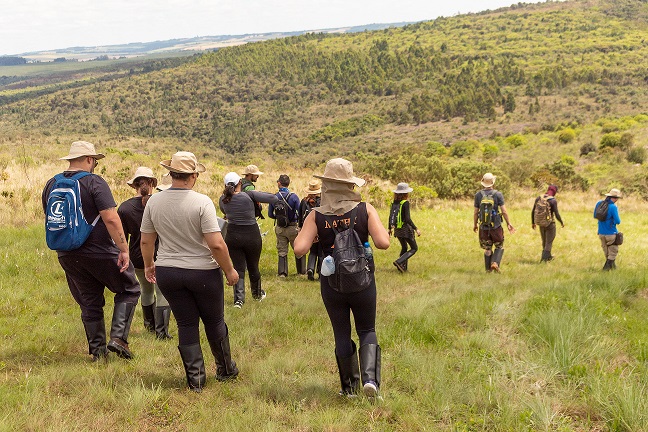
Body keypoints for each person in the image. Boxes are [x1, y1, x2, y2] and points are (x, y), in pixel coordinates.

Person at [140, 151, 240, 392]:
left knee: (186, 323)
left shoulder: (154, 201)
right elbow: (216, 243)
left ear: (171, 174)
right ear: (193, 176)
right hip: (203, 272)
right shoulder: (202, 202)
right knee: (214, 320)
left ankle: (195, 379)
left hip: (168, 271)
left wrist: (149, 265)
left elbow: (146, 241)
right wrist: (230, 271)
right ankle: (225, 369)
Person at [295, 158, 390, 398]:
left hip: (332, 283)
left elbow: (299, 249)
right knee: (367, 328)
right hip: (363, 281)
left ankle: (349, 388)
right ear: (350, 185)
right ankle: (371, 381)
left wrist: (316, 234)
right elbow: (383, 243)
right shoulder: (364, 209)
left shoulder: (315, 215)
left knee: (341, 331)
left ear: (326, 184)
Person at [42, 141, 140, 361]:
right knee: (130, 288)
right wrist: (124, 249)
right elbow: (111, 218)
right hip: (100, 251)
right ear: (89, 159)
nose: (94, 164)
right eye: (94, 160)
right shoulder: (95, 182)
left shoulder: (52, 183)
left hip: (67, 253)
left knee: (89, 300)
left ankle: (98, 354)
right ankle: (118, 339)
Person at [118, 167, 173, 340]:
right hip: (159, 255)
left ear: (134, 185)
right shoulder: (160, 203)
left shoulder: (124, 208)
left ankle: (149, 326)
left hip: (137, 257)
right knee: (162, 292)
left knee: (146, 290)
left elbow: (122, 238)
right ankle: (161, 332)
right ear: (152, 183)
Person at [219, 172, 279, 308]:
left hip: (233, 235)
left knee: (238, 268)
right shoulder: (249, 195)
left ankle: (238, 300)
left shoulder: (222, 199)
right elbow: (272, 198)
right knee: (253, 266)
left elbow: (225, 212)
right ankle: (257, 294)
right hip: (251, 235)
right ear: (240, 182)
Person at [473, 172, 515, 273]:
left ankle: (488, 270)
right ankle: (495, 263)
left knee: (487, 248)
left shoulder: (478, 195)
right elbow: (504, 211)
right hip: (496, 226)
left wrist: (475, 224)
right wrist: (509, 223)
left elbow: (475, 212)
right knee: (499, 246)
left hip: (483, 226)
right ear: (493, 183)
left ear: (483, 182)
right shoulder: (498, 194)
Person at [268, 174, 305, 277]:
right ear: (288, 184)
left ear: (279, 183)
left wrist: (280, 218)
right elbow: (299, 213)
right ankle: (301, 272)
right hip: (293, 227)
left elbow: (270, 214)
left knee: (282, 250)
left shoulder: (274, 197)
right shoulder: (294, 197)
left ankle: (282, 273)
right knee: (298, 249)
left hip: (280, 228)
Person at [388, 182, 421, 273]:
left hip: (397, 230)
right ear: (405, 193)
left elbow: (391, 216)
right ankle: (399, 262)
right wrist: (416, 228)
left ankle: (402, 268)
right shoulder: (405, 203)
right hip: (405, 229)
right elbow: (407, 219)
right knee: (414, 248)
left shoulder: (394, 203)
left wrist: (389, 228)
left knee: (404, 247)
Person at [531, 185, 564, 262]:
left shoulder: (539, 198)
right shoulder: (553, 200)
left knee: (544, 241)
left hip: (540, 223)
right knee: (549, 242)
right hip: (549, 224)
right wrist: (561, 222)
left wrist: (533, 222)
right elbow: (556, 213)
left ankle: (548, 256)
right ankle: (544, 259)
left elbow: (533, 211)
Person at [299, 179, 322, 281]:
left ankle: (310, 268)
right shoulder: (322, 202)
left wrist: (301, 228)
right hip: (320, 229)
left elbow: (300, 216)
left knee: (312, 251)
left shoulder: (304, 201)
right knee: (321, 251)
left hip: (308, 229)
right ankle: (321, 272)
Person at [594, 188, 622, 271]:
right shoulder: (613, 207)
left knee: (607, 252)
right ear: (614, 198)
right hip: (611, 233)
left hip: (601, 232)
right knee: (613, 252)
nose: (617, 200)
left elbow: (595, 215)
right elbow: (618, 221)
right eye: (616, 198)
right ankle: (605, 270)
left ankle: (613, 268)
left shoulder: (599, 203)